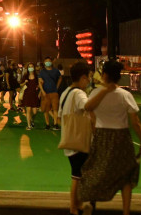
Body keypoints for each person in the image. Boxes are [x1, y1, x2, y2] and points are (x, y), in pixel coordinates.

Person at [79, 60, 141, 215]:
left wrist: (104, 91)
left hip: (102, 136)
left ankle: (91, 203)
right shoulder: (125, 95)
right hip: (121, 137)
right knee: (126, 174)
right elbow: (135, 123)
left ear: (105, 75)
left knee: (94, 170)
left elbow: (88, 108)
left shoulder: (96, 93)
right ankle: (126, 212)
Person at [59, 61, 91, 215]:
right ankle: (74, 207)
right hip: (78, 140)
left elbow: (59, 115)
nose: (89, 81)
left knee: (78, 174)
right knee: (77, 176)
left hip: (69, 138)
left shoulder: (66, 92)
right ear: (83, 77)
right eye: (88, 78)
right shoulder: (78, 93)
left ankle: (77, 205)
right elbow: (88, 106)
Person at [39, 56, 62, 130]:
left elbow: (60, 78)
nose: (48, 62)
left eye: (49, 61)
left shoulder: (56, 71)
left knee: (55, 109)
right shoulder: (42, 71)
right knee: (46, 110)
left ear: (51, 62)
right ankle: (47, 124)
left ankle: (55, 124)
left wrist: (57, 87)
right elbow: (40, 81)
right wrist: (42, 91)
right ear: (44, 63)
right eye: (46, 61)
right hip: (45, 93)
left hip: (54, 92)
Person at [20, 62, 43, 130]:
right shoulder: (25, 75)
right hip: (27, 95)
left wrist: (38, 87)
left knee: (35, 112)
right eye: (29, 67)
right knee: (28, 110)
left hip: (34, 96)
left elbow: (39, 84)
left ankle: (32, 120)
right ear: (27, 68)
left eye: (31, 66)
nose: (30, 68)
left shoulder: (36, 76)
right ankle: (29, 125)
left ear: (34, 67)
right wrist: (25, 82)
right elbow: (21, 85)